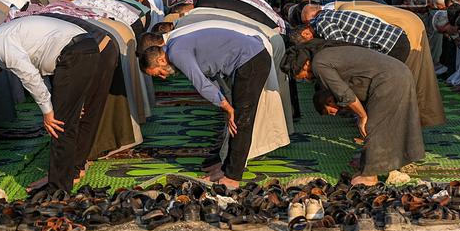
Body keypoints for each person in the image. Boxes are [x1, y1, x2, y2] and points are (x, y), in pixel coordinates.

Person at [0, 16, 117, 193]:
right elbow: (39, 73)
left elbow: (30, 76)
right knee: (76, 116)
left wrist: (48, 112)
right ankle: (73, 172)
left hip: (73, 53)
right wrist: (55, 103)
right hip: (86, 47)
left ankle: (58, 188)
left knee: (59, 125)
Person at [137, 28, 273, 189]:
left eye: (158, 73)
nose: (163, 77)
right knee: (235, 120)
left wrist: (228, 108)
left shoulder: (176, 53)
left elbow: (201, 83)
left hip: (252, 60)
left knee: (240, 122)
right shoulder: (175, 46)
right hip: (250, 58)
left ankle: (233, 177)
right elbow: (211, 76)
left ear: (161, 60)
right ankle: (225, 170)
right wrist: (226, 104)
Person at [283, 43, 424, 185]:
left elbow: (345, 94)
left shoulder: (318, 64)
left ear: (305, 65)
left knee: (373, 126)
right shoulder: (324, 54)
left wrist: (362, 117)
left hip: (389, 79)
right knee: (389, 123)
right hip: (397, 72)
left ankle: (370, 176)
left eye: (302, 77)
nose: (305, 80)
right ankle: (388, 167)